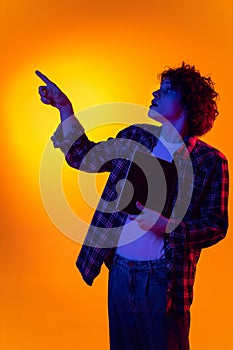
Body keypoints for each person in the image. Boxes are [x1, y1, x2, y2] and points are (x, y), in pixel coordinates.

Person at [36, 62, 229, 350]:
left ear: (187, 104)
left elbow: (216, 226)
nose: (155, 94)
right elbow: (84, 157)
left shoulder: (210, 161)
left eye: (165, 91)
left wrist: (168, 226)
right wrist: (65, 108)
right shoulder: (136, 136)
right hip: (121, 271)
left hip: (163, 279)